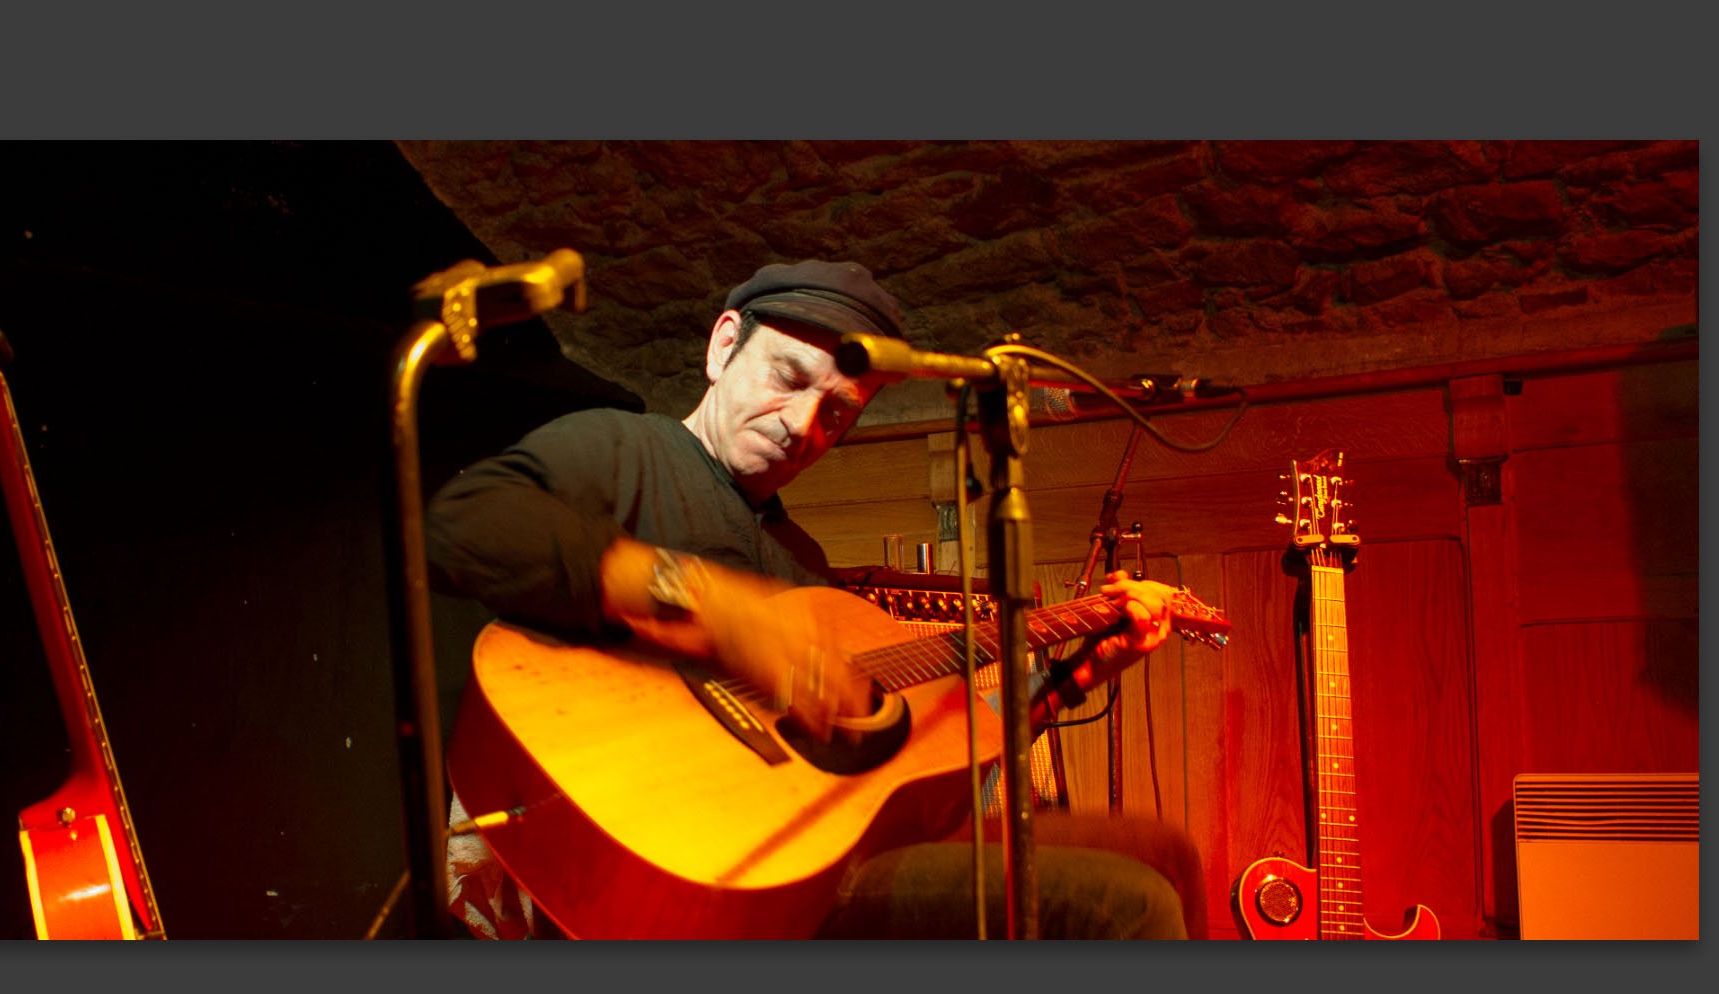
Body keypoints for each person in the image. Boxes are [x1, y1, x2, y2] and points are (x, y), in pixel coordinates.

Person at [426, 259, 1204, 940]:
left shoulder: (802, 563)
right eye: (790, 379)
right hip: (655, 849)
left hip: (803, 862)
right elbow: (465, 526)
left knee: (1162, 851)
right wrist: (711, 603)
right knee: (1120, 907)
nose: (803, 427)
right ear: (722, 345)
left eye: (837, 412)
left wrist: (1075, 675)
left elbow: (910, 785)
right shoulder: (626, 451)